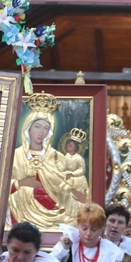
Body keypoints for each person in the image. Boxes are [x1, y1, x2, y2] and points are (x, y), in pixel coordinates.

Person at [9, 98, 87, 230]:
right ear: (28, 128)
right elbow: (1, 188)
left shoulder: (57, 156)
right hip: (20, 213)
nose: (41, 132)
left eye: (46, 128)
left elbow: (67, 182)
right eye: (37, 126)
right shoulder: (15, 155)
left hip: (55, 212)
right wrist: (21, 183)